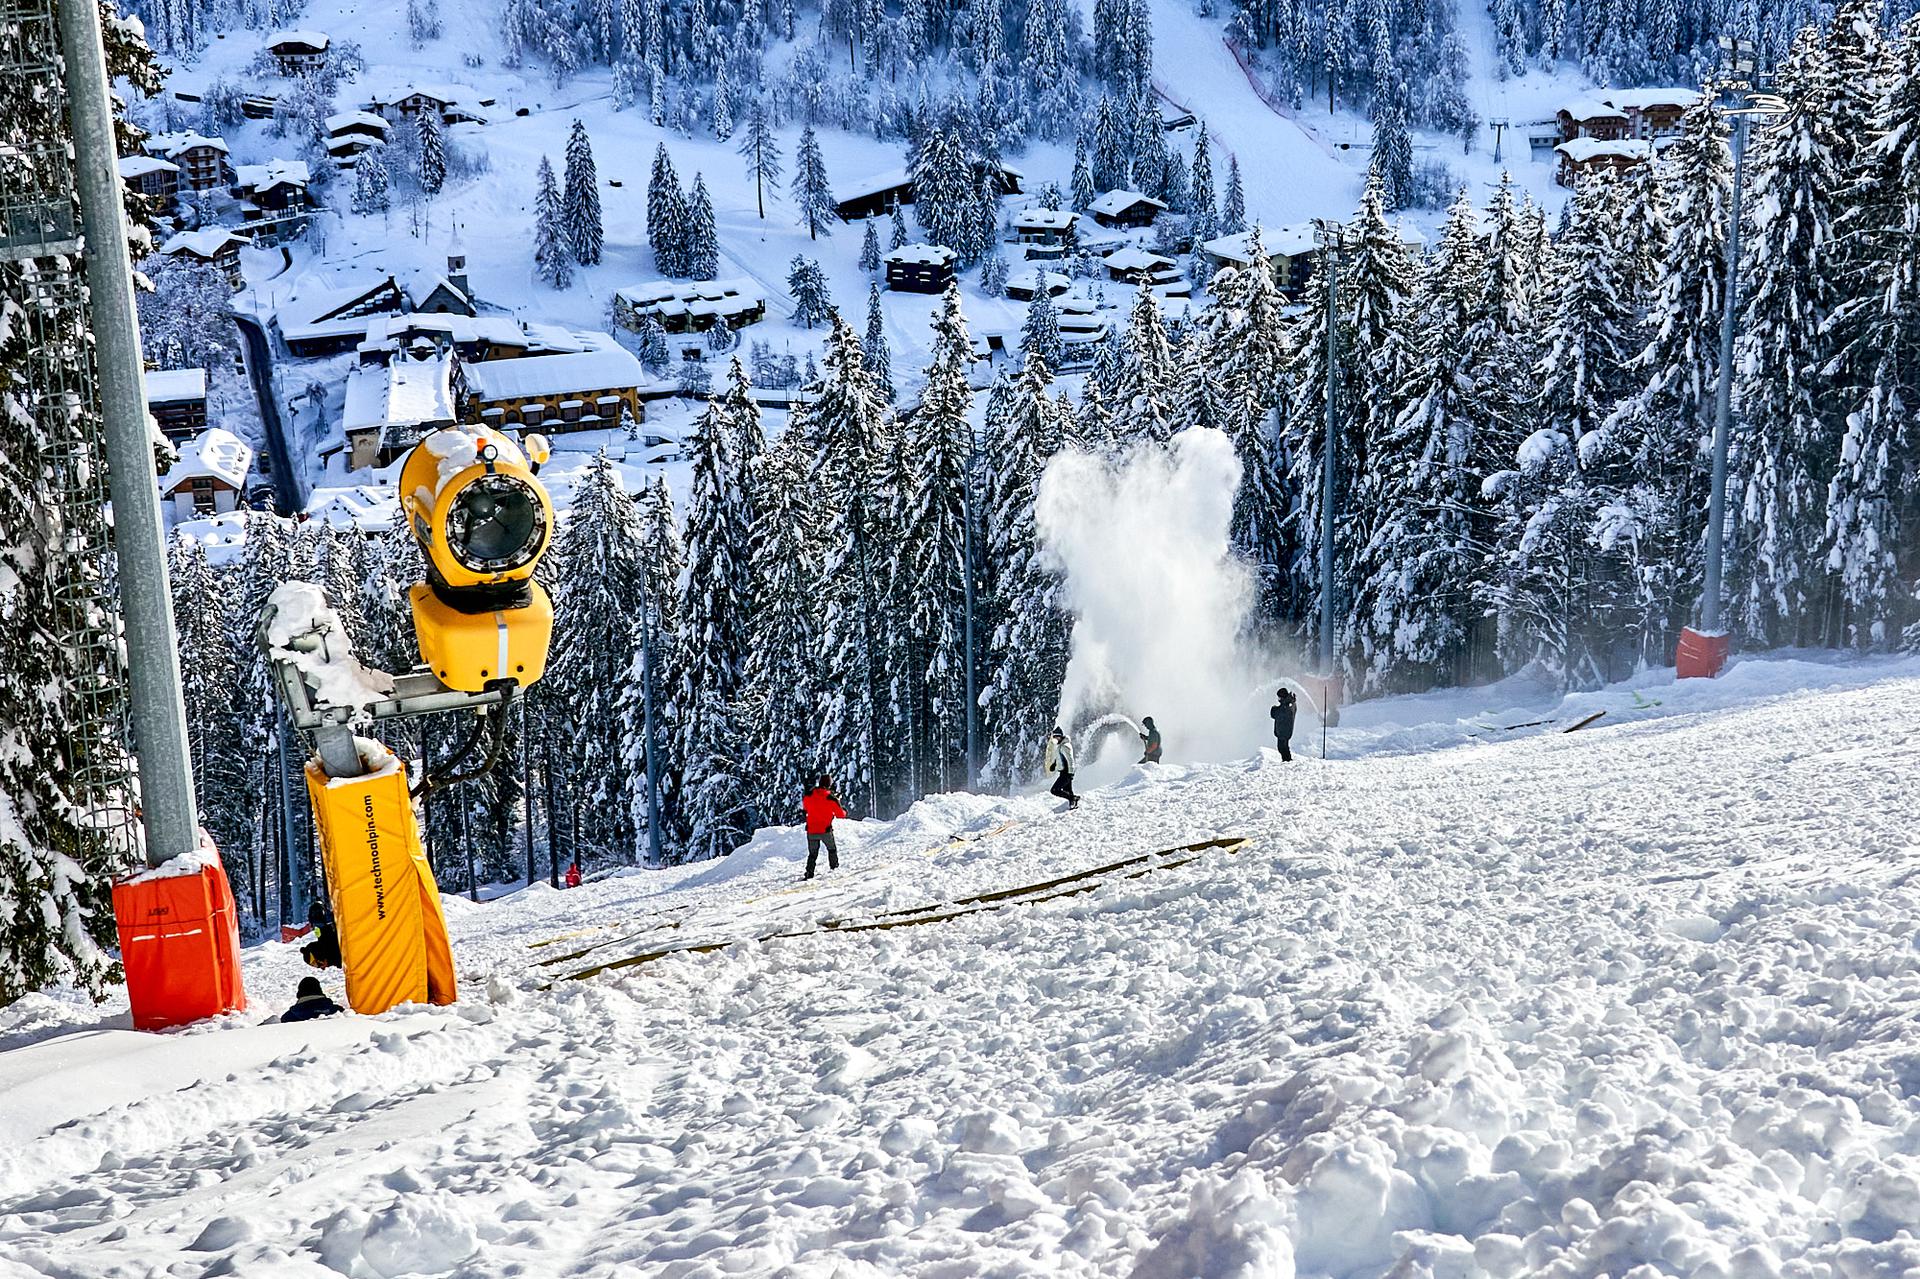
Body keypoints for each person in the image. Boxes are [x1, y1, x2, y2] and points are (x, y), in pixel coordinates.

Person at [802, 774, 846, 879]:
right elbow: (841, 815)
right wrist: (838, 801)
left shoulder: (809, 795)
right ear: (829, 784)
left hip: (811, 830)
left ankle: (809, 873)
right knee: (832, 849)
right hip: (825, 830)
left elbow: (805, 807)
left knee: (812, 854)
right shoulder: (831, 798)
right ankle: (834, 869)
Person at [1045, 727, 1079, 810]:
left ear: (1060, 737)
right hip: (1063, 772)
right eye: (1054, 737)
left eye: (1057, 737)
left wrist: (1071, 773)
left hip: (1067, 772)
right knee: (1067, 789)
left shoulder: (1065, 746)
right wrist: (1054, 765)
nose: (1055, 739)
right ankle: (1073, 803)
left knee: (1055, 790)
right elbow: (1060, 758)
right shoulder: (1060, 746)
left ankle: (1073, 798)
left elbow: (1070, 760)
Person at [1270, 688, 1297, 762]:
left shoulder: (1288, 705)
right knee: (1284, 747)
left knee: (1282, 748)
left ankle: (1287, 761)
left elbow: (1277, 714)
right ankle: (1287, 760)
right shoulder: (1289, 703)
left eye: (1279, 697)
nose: (1279, 699)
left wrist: (1274, 709)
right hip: (1285, 730)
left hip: (1283, 731)